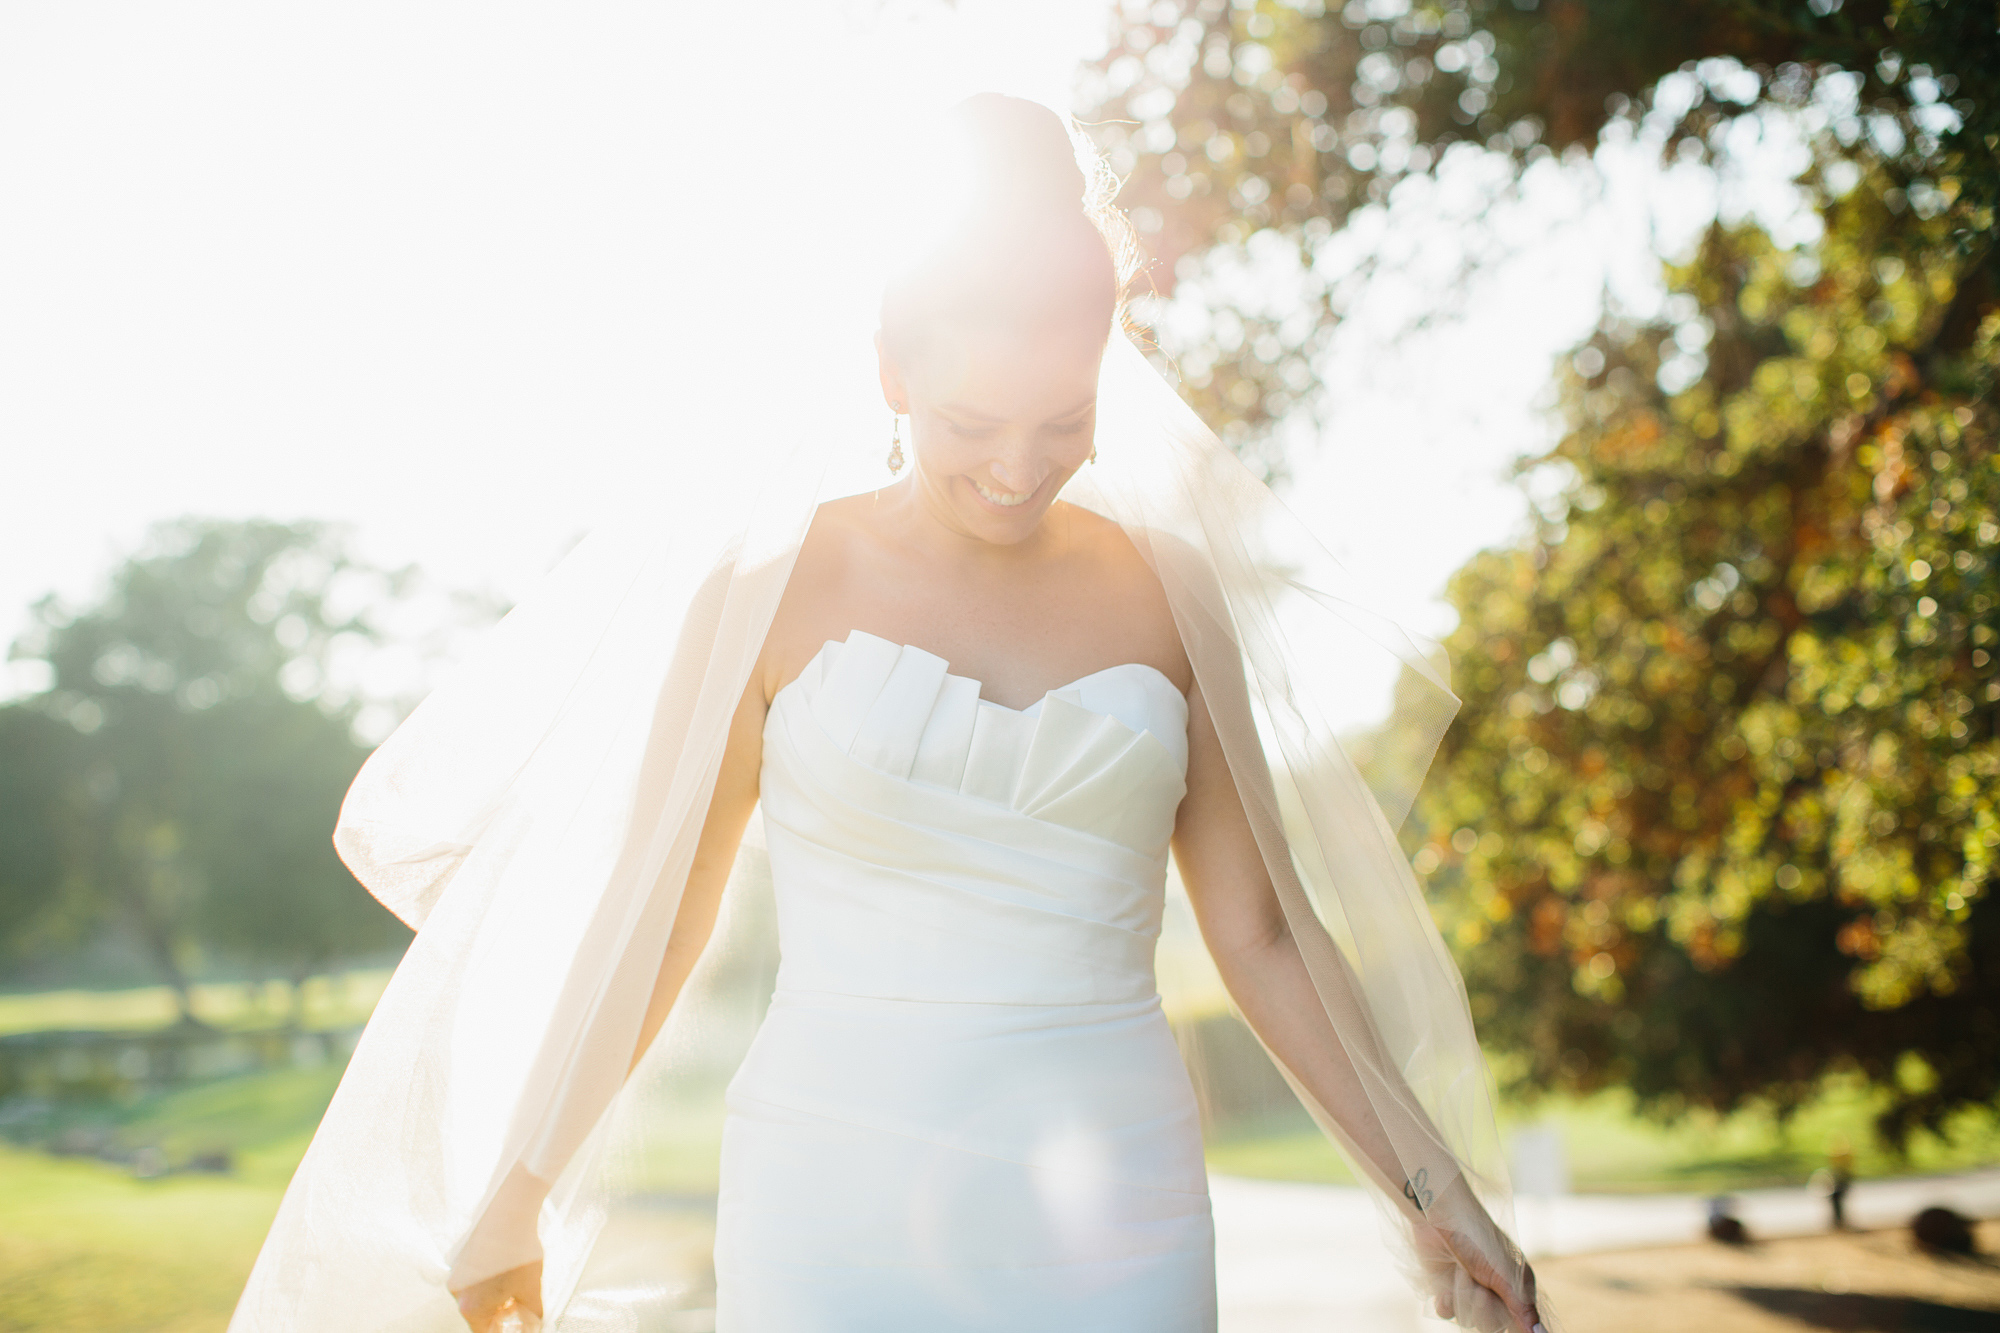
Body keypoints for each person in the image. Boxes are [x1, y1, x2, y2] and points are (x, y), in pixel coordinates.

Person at [231, 94, 1548, 1333]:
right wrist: (522, 1180)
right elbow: (660, 911)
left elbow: (1263, 931)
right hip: (831, 1198)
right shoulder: (767, 591)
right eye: (976, 419)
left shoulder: (1165, 590)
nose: (1021, 467)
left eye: (1065, 419)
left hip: (1119, 1205)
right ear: (890, 372)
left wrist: (1433, 1190)